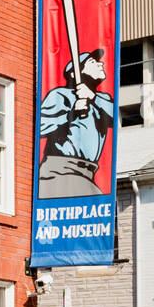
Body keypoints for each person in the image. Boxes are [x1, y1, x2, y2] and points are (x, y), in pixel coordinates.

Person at [38, 49, 113, 198]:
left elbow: (113, 116)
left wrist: (91, 96)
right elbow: (41, 127)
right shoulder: (61, 95)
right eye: (92, 62)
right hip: (60, 171)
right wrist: (71, 114)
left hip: (86, 174)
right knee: (95, 213)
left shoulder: (101, 99)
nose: (100, 64)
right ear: (74, 73)